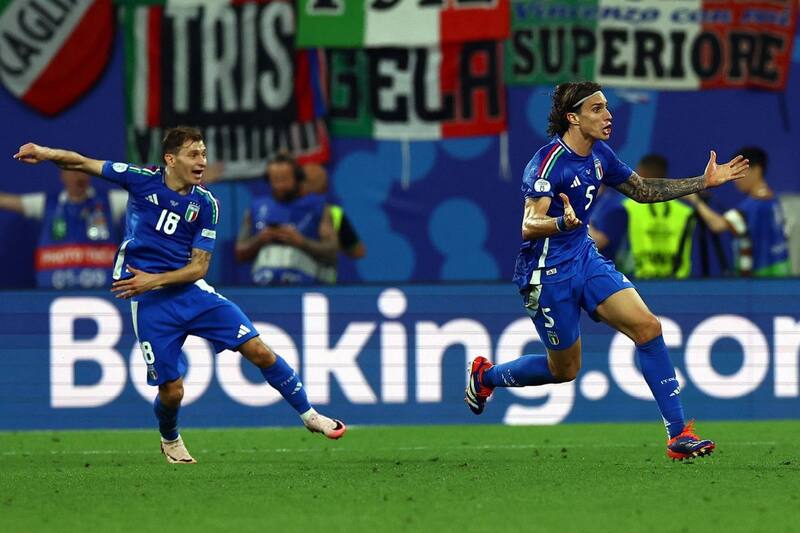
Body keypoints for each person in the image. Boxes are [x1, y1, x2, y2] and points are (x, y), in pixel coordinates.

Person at [13, 127, 346, 464]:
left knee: (259, 350)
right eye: (193, 154)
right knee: (172, 391)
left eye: (203, 153)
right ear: (171, 160)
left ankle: (309, 414)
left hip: (190, 293)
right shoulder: (140, 179)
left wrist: (153, 280)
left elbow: (199, 267)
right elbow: (84, 163)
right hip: (150, 306)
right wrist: (43, 151)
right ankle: (170, 438)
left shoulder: (206, 204)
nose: (201, 161)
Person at [465, 81, 749, 460]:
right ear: (573, 117)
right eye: (597, 108)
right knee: (564, 370)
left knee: (648, 327)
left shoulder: (601, 154)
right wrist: (562, 223)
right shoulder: (547, 162)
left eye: (607, 107)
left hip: (584, 257)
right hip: (547, 272)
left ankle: (678, 435)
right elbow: (530, 224)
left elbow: (643, 190)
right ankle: (486, 376)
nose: (608, 114)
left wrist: (703, 182)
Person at [0, 169, 127, 289]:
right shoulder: (47, 204)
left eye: (83, 172)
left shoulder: (109, 201)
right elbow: (8, 201)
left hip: (104, 293)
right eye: (73, 172)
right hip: (51, 294)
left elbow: (143, 194)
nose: (79, 177)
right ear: (63, 175)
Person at [685, 146, 790, 277]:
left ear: (756, 170)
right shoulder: (773, 200)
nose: (735, 179)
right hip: (783, 274)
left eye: (740, 171)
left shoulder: (754, 206)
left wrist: (694, 199)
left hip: (761, 281)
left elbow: (717, 225)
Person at [235, 153, 338, 285]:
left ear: (297, 178)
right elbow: (239, 252)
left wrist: (301, 242)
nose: (279, 185)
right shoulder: (256, 207)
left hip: (306, 283)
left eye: (284, 179)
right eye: (275, 180)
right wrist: (260, 240)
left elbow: (332, 251)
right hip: (265, 283)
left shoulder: (319, 207)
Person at [591, 154, 696, 279]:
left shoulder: (624, 206)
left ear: (640, 172)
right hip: (679, 283)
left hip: (636, 280)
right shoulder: (684, 210)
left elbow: (600, 241)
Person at [302, 162, 366, 261]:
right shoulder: (283, 209)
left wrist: (330, 245)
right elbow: (358, 251)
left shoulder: (334, 213)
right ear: (326, 188)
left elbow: (358, 251)